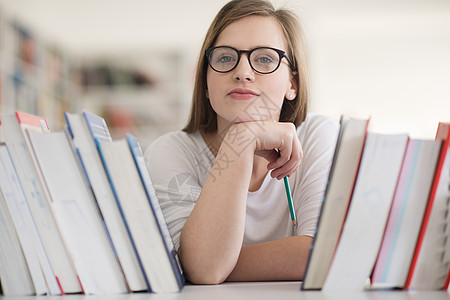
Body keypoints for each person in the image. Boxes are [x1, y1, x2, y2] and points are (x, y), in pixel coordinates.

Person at [145, 0, 339, 284]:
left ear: (292, 84)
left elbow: (321, 254)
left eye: (264, 58)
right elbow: (207, 270)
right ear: (206, 83)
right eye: (225, 58)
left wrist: (202, 262)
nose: (243, 72)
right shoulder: (171, 152)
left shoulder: (317, 137)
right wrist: (241, 139)